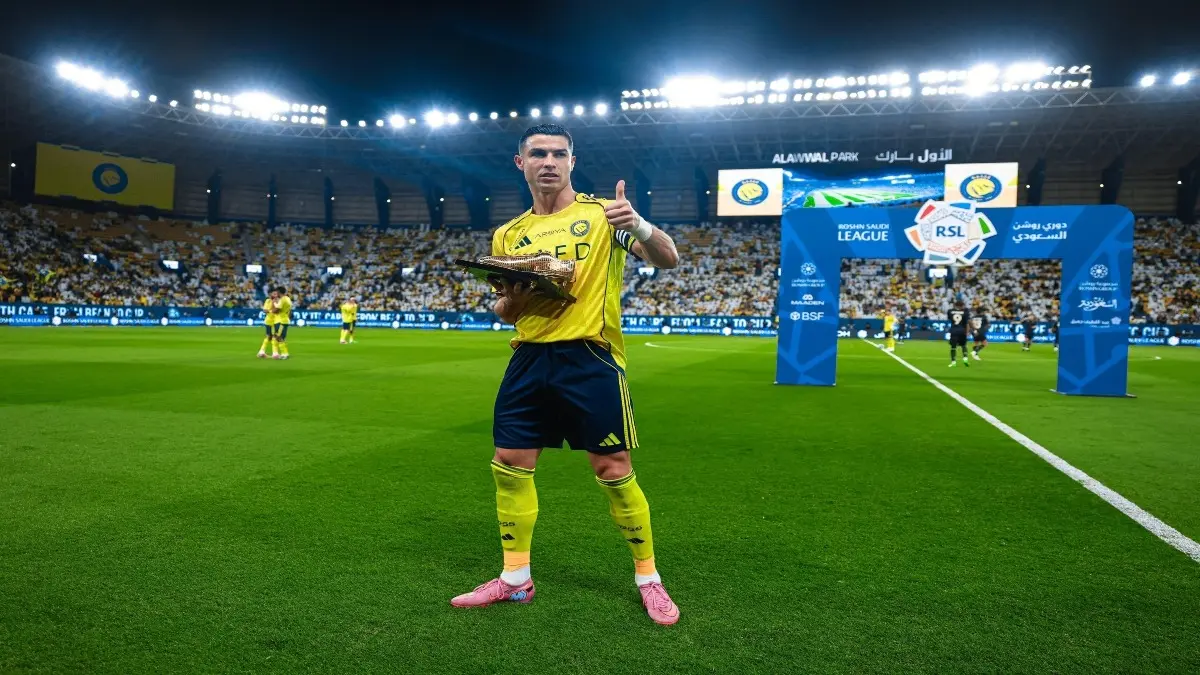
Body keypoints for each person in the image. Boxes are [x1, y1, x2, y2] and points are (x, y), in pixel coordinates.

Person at [449, 124, 682, 625]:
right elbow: (506, 312)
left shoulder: (603, 215)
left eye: (559, 153)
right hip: (529, 358)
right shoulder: (509, 234)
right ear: (521, 164)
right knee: (508, 461)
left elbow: (668, 258)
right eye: (538, 153)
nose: (549, 161)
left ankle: (649, 579)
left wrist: (639, 224)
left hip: (590, 357)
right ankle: (515, 579)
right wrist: (516, 295)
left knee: (612, 469)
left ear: (573, 161)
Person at [270, 287, 293, 360]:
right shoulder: (288, 298)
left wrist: (272, 308)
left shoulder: (283, 300)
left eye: (277, 292)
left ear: (279, 292)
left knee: (278, 337)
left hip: (282, 320)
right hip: (285, 319)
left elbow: (277, 310)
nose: (277, 294)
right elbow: (290, 310)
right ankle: (284, 353)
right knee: (280, 337)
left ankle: (285, 354)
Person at [948, 301, 971, 367]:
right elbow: (967, 323)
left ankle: (953, 362)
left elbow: (950, 319)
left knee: (953, 347)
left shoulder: (950, 311)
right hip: (962, 331)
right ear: (962, 305)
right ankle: (965, 358)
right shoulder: (965, 312)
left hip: (954, 331)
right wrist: (967, 332)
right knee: (964, 345)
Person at [257, 293, 277, 359]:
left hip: (276, 321)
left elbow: (276, 310)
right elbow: (265, 310)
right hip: (269, 321)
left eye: (275, 294)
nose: (274, 295)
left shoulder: (278, 301)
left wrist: (271, 310)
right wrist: (271, 310)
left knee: (273, 337)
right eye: (273, 294)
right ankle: (273, 353)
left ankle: (262, 352)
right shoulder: (268, 301)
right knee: (270, 336)